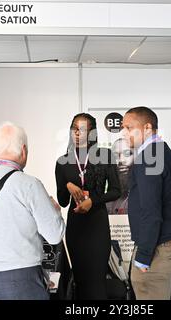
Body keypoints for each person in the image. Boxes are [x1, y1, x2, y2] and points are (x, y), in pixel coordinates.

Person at [0, 122, 65, 300]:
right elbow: (54, 236)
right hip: (22, 278)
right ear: (23, 150)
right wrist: (55, 210)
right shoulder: (29, 184)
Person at [122, 106, 171, 300]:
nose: (124, 133)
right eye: (123, 128)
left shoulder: (149, 158)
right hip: (166, 242)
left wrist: (143, 255)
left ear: (147, 127)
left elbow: (150, 211)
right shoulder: (159, 150)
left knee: (144, 287)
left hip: (160, 247)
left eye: (129, 127)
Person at [55, 113, 121, 299]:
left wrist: (93, 200)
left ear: (92, 133)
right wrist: (67, 185)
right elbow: (63, 202)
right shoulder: (62, 162)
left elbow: (116, 191)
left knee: (97, 281)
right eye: (74, 128)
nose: (77, 133)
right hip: (76, 229)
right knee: (81, 281)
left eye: (82, 129)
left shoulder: (105, 155)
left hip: (97, 227)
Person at [106, 138, 135, 215]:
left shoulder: (145, 196)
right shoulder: (105, 201)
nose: (121, 160)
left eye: (128, 154)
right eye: (115, 155)